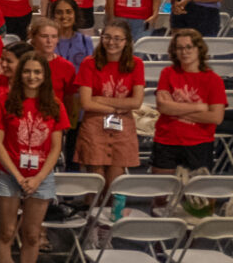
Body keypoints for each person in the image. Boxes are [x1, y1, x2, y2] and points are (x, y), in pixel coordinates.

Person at [0, 52, 66, 263]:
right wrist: (18, 176)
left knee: (31, 234)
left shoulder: (54, 103)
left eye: (38, 72)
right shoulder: (4, 100)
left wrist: (38, 178)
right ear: (20, 75)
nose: (32, 77)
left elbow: (56, 147)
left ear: (45, 76)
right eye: (28, 72)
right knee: (5, 231)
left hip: (40, 177)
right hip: (7, 174)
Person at [73, 21, 143, 183]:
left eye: (118, 38)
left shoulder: (136, 64)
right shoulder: (89, 63)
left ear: (126, 41)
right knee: (96, 183)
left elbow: (136, 102)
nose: (112, 42)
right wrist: (118, 106)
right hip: (94, 126)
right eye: (107, 37)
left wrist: (99, 99)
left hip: (123, 125)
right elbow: (86, 103)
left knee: (115, 184)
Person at [153, 29, 229, 176]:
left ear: (199, 49)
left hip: (199, 143)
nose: (184, 52)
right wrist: (198, 107)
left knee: (199, 196)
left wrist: (175, 109)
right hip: (166, 139)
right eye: (179, 48)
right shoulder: (167, 73)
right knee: (162, 194)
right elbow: (163, 106)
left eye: (189, 47)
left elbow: (216, 117)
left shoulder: (214, 80)